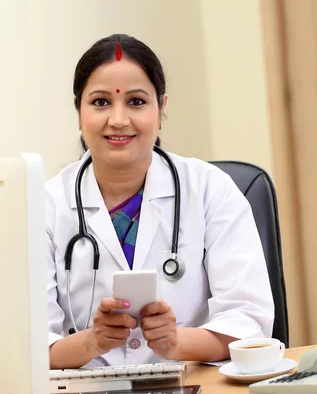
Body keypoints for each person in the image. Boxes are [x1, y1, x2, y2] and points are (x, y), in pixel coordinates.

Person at [45, 33, 274, 369]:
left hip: (191, 382)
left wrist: (176, 342)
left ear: (161, 107)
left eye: (136, 101)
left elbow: (248, 324)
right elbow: (31, 346)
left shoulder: (211, 190)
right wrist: (92, 342)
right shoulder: (45, 206)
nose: (118, 119)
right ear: (78, 110)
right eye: (100, 102)